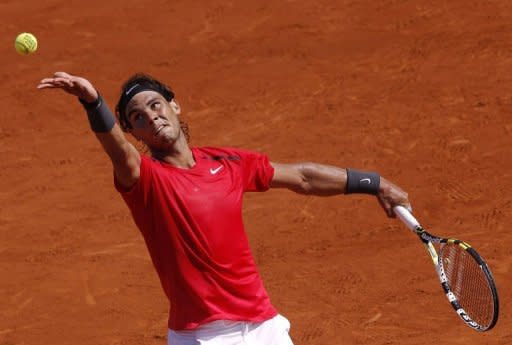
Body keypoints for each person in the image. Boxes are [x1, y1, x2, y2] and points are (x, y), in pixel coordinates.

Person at [37, 71, 411, 345]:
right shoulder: (145, 180)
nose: (151, 116)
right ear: (135, 133)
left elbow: (303, 178)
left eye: (155, 105)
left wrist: (373, 182)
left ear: (174, 105)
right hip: (203, 336)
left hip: (265, 325)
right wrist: (92, 102)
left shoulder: (227, 162)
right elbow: (119, 151)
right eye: (138, 117)